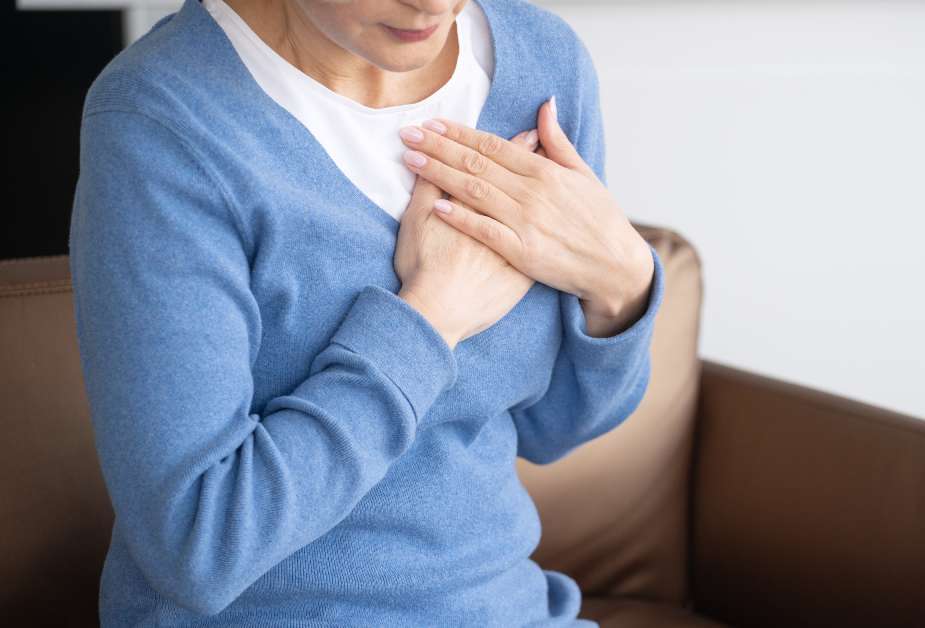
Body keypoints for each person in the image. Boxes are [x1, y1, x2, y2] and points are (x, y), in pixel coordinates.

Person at [67, 0, 666, 624]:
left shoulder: (544, 62)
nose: (435, 5)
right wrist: (431, 319)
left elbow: (550, 428)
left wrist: (622, 284)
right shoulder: (163, 121)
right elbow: (198, 545)